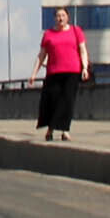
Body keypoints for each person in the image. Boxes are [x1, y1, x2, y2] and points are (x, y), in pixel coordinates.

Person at [35, 9, 87, 141]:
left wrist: (85, 67)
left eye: (63, 15)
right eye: (58, 16)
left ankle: (65, 131)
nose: (60, 18)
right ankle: (50, 129)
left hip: (72, 72)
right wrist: (34, 73)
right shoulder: (48, 34)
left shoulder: (76, 31)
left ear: (67, 17)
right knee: (53, 101)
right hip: (54, 72)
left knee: (67, 102)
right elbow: (41, 55)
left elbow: (82, 50)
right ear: (54, 18)